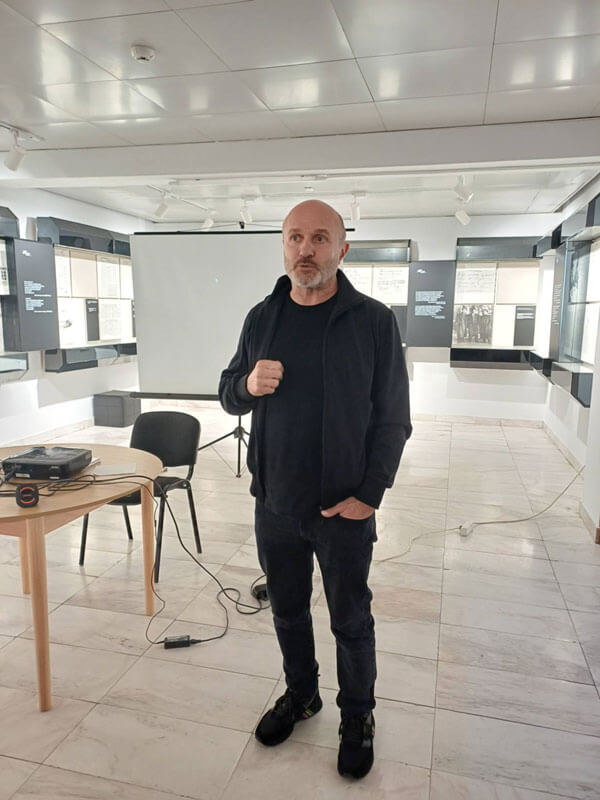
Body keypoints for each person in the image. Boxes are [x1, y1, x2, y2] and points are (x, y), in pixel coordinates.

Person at [219, 199, 411, 779]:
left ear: (342, 249)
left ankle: (358, 715)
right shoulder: (262, 318)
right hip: (276, 504)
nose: (306, 250)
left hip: (342, 509)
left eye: (320, 238)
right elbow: (228, 392)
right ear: (283, 246)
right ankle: (303, 694)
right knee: (287, 611)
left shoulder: (373, 322)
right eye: (295, 238)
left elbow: (394, 418)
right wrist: (247, 385)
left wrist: (370, 494)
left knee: (350, 621)